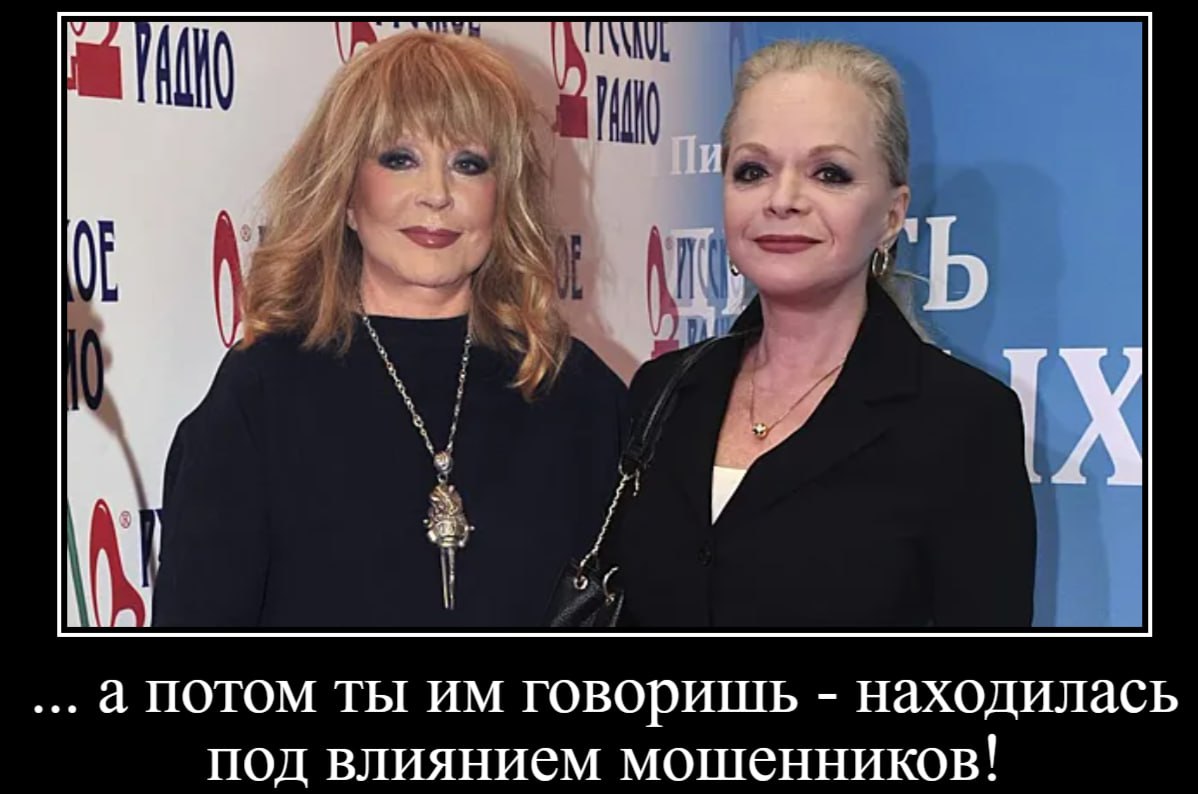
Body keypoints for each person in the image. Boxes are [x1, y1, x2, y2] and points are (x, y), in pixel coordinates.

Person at [151, 31, 627, 628]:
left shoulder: (577, 391)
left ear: (504, 197)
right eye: (400, 159)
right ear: (346, 193)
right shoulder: (264, 391)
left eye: (469, 164)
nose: (437, 195)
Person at [606, 39, 1037, 628]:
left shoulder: (965, 420)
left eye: (829, 173)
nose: (782, 200)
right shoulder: (664, 390)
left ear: (892, 215)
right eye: (752, 171)